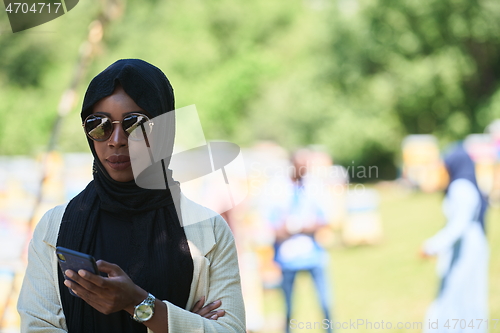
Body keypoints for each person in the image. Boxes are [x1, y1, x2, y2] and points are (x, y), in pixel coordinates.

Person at [17, 59, 246, 333]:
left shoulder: (207, 232)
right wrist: (180, 322)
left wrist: (139, 303)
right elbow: (38, 328)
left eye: (135, 124)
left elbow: (230, 330)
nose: (115, 139)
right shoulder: (55, 228)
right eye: (98, 125)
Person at [421, 144, 489, 333]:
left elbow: (459, 225)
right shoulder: (462, 184)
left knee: (461, 291)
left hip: (467, 247)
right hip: (467, 244)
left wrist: (432, 246)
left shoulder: (461, 187)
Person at [267, 149, 333, 333]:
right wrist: (289, 229)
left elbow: (324, 220)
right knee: (288, 308)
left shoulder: (314, 187)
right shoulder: (277, 189)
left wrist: (300, 227)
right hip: (287, 258)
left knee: (326, 304)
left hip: (314, 255)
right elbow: (271, 225)